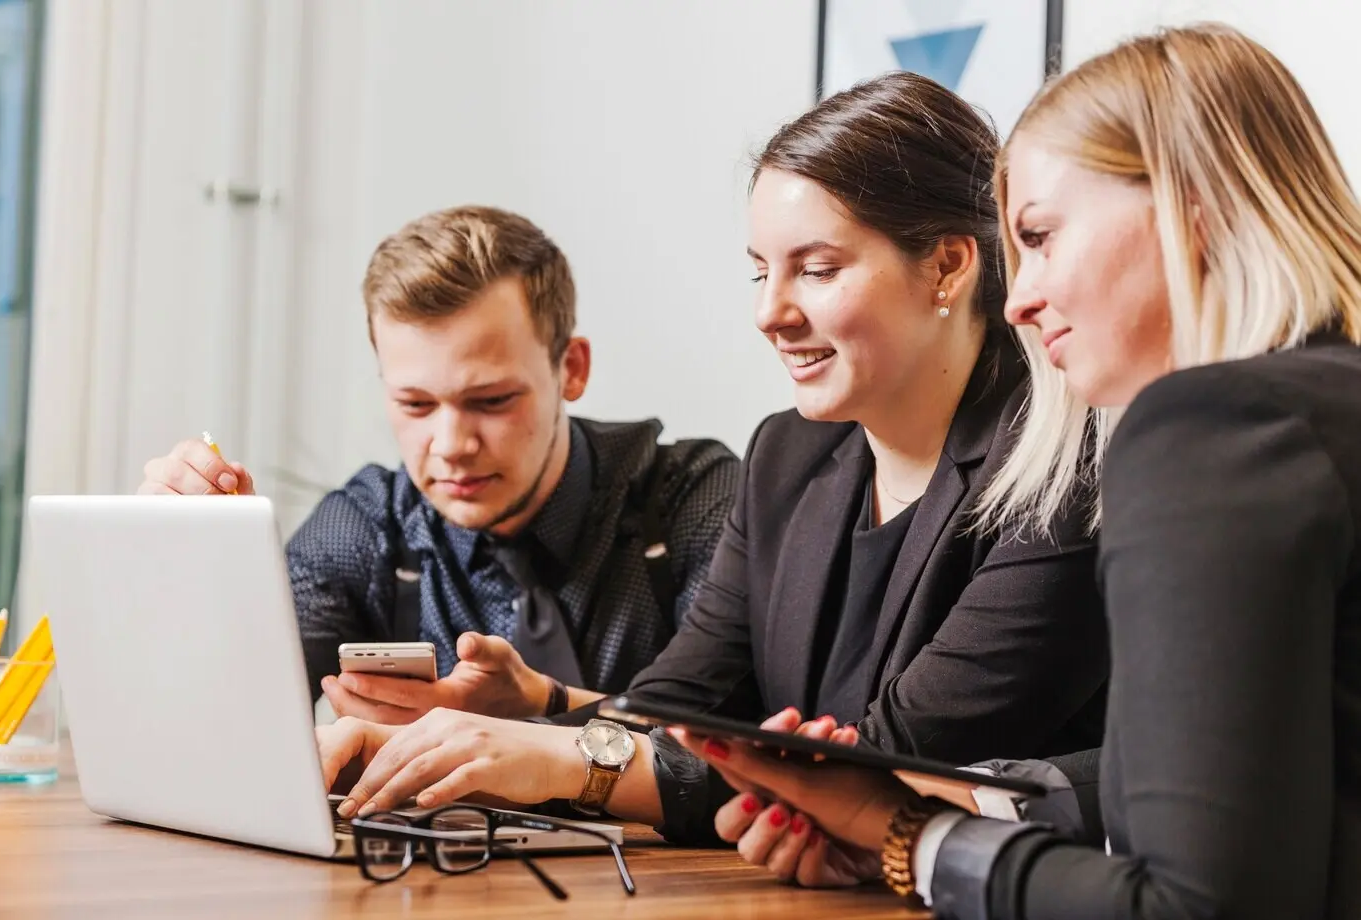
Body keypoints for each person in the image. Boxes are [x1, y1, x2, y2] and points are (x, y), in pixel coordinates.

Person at [312, 72, 1109, 845]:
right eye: (761, 272)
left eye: (817, 270)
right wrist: (525, 725)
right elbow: (680, 708)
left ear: (946, 264)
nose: (770, 312)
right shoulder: (788, 455)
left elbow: (877, 767)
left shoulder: (1064, 469)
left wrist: (554, 758)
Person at [683, 23, 1361, 919]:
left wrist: (909, 840)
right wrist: (956, 804)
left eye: (1039, 237)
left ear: (1192, 208)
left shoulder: (1205, 429)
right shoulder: (1321, 410)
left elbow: (1199, 904)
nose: (1023, 298)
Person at [137, 206, 740, 721]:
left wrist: (544, 707)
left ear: (571, 370)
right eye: (415, 404)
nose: (450, 444)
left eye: (491, 401)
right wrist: (190, 576)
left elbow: (747, 738)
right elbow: (224, 717)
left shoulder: (692, 501)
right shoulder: (366, 527)